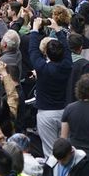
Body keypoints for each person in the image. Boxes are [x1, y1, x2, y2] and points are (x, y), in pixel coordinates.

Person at [28, 16, 72, 158]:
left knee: (50, 153)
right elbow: (66, 48)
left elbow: (33, 51)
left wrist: (35, 30)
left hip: (46, 114)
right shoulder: (67, 65)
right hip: (64, 111)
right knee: (66, 150)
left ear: (46, 53)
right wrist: (58, 30)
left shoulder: (42, 67)